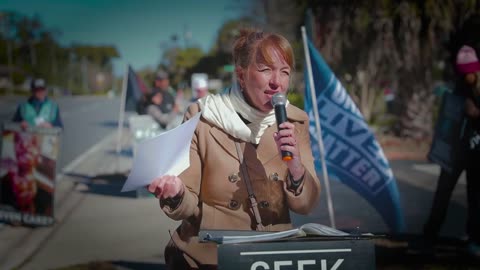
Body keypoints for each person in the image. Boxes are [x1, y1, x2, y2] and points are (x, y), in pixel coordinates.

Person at [147, 29, 321, 269]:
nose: (277, 82)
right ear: (241, 74)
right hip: (209, 257)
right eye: (265, 69)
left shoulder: (295, 121)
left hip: (273, 257)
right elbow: (186, 205)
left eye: (284, 72)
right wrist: (176, 192)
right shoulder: (202, 117)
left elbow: (306, 205)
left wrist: (296, 168)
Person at [422, 45, 480, 256]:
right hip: (454, 153)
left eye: (469, 73)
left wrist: (476, 114)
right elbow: (447, 122)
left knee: (475, 198)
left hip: (476, 154)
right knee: (442, 195)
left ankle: (475, 239)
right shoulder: (458, 89)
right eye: (462, 74)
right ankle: (429, 238)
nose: (466, 78)